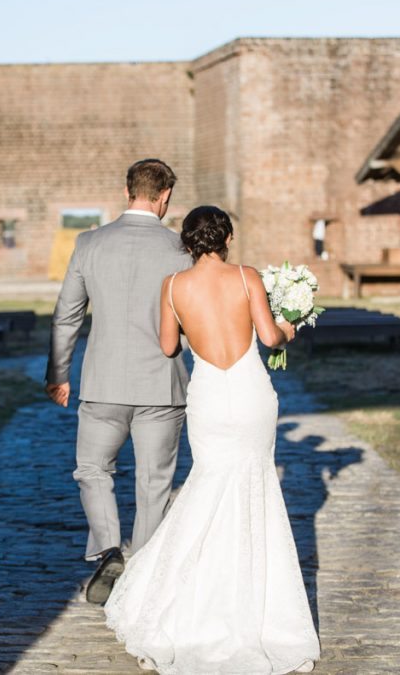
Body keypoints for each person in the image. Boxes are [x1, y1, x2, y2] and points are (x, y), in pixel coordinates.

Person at [104, 206, 320, 673]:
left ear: (187, 243)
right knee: (252, 489)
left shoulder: (173, 286)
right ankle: (254, 610)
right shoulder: (246, 277)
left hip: (206, 396)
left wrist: (190, 323)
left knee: (207, 485)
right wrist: (291, 325)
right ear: (228, 238)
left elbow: (167, 347)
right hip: (249, 395)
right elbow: (269, 338)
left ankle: (181, 602)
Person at [45, 159, 194, 604]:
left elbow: (66, 315)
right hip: (161, 385)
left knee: (92, 469)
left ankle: (109, 546)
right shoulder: (180, 249)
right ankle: (143, 575)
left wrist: (58, 374)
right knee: (154, 485)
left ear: (127, 190)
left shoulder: (90, 243)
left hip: (102, 383)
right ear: (164, 196)